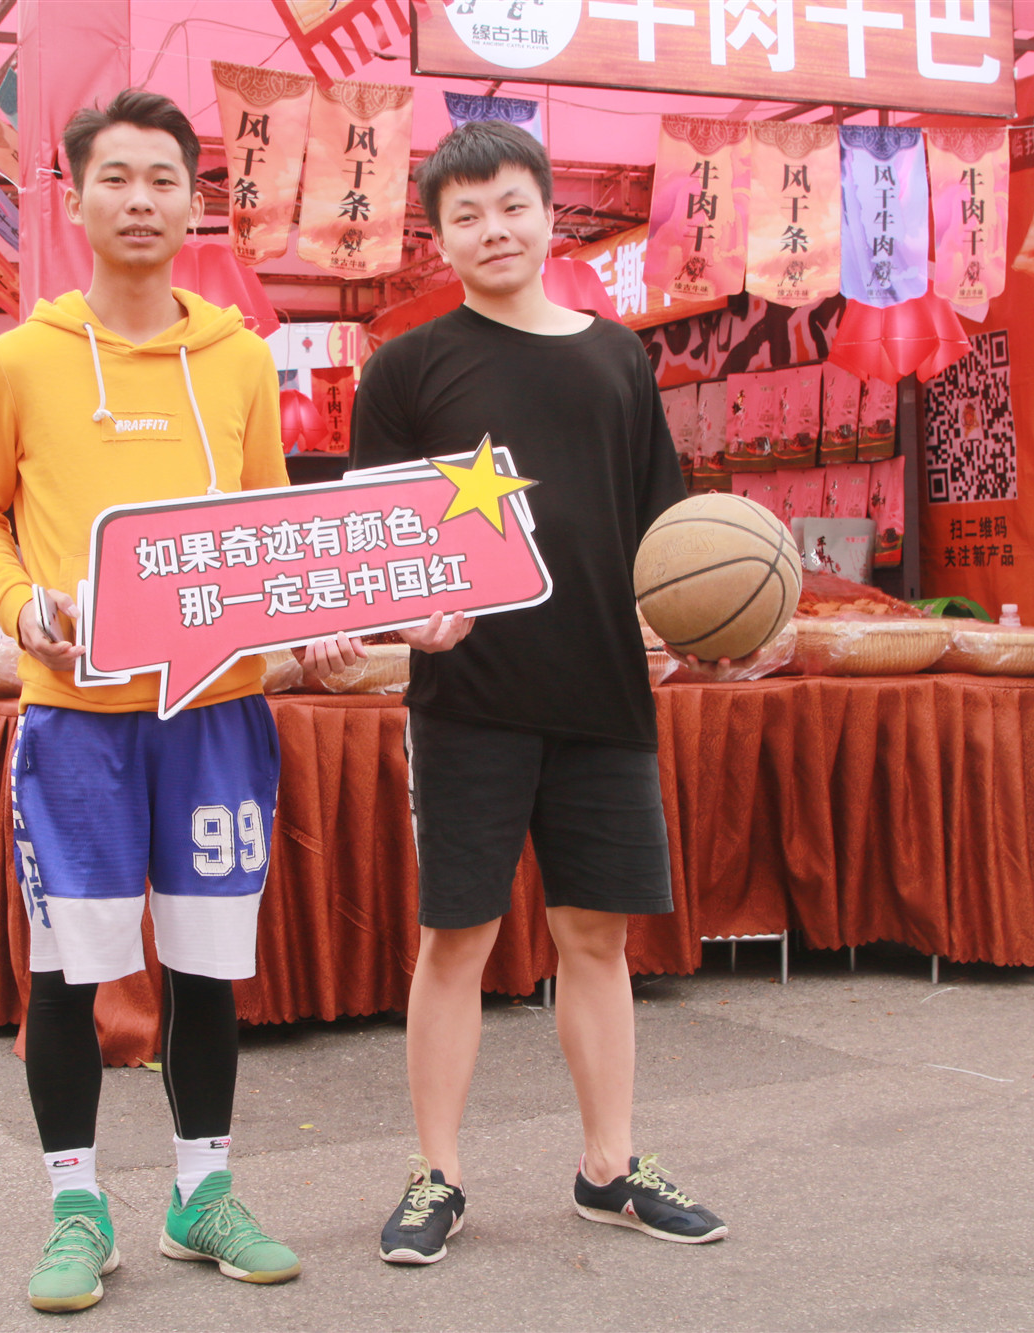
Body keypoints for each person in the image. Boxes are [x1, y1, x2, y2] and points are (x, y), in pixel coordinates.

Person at [0, 88, 331, 1313]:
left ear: (192, 200)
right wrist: (20, 606)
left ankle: (200, 1194)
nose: (141, 200)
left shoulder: (240, 360)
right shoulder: (16, 361)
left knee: (207, 966)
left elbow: (268, 524)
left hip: (217, 714)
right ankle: (76, 1208)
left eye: (164, 178)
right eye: (115, 177)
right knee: (70, 968)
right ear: (74, 199)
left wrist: (308, 613)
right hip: (78, 717)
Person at [349, 121, 726, 1266]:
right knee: (454, 937)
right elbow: (370, 542)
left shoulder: (617, 358)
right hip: (465, 699)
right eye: (463, 215)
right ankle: (437, 1172)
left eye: (510, 205)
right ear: (438, 238)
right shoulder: (403, 369)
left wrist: (700, 623)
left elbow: (666, 531)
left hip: (603, 695)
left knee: (595, 937)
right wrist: (403, 613)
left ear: (548, 213)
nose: (492, 230)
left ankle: (608, 1164)